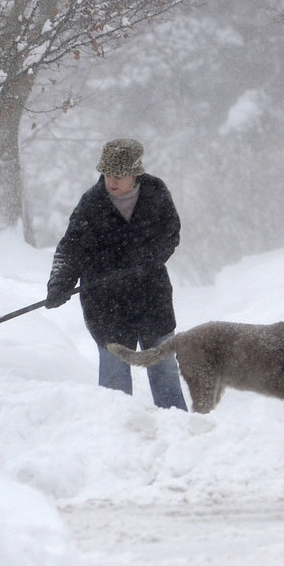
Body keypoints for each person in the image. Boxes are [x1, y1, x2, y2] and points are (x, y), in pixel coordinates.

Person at [46, 138, 188, 410]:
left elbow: (170, 234)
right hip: (105, 301)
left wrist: (145, 260)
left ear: (136, 173)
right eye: (108, 174)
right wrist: (59, 284)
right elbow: (71, 248)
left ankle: (177, 424)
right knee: (114, 371)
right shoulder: (92, 203)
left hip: (151, 296)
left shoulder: (156, 193)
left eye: (120, 175)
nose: (112, 181)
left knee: (162, 363)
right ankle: (116, 425)